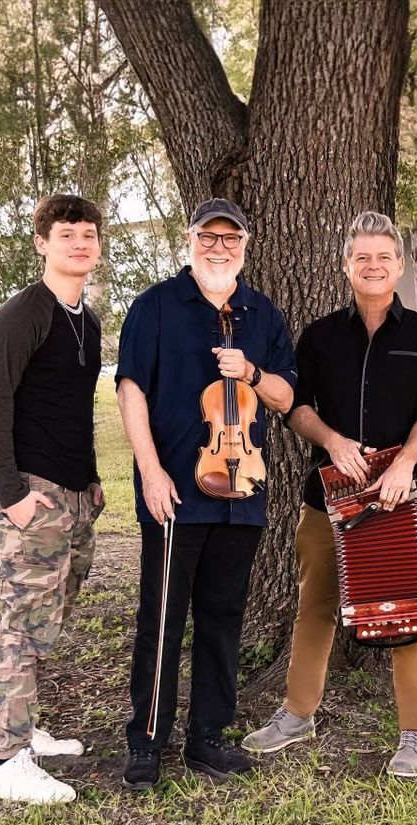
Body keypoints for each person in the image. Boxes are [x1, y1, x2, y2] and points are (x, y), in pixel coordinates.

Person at [241, 211, 417, 778]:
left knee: (408, 613)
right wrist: (333, 442)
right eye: (362, 257)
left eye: (384, 257)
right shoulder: (318, 337)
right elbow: (296, 408)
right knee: (314, 608)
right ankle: (296, 714)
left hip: (397, 499)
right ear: (346, 266)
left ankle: (415, 735)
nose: (374, 265)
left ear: (400, 267)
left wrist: (406, 463)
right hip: (324, 498)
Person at [117, 198, 296, 790]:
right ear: (190, 241)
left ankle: (208, 737)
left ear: (246, 246)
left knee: (223, 618)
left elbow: (286, 399)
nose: (220, 249)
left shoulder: (263, 315)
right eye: (209, 238)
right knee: (163, 618)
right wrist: (150, 470)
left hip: (241, 488)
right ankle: (146, 741)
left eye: (232, 240)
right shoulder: (156, 306)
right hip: (174, 491)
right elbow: (132, 390)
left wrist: (249, 372)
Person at [0, 194, 105, 804]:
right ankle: (3, 761)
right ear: (42, 243)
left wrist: (93, 480)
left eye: (88, 234)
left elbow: (73, 408)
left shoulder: (88, 319)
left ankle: (24, 728)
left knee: (50, 619)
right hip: (32, 493)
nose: (79, 243)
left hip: (74, 495)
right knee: (24, 624)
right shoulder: (22, 313)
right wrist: (14, 497)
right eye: (66, 234)